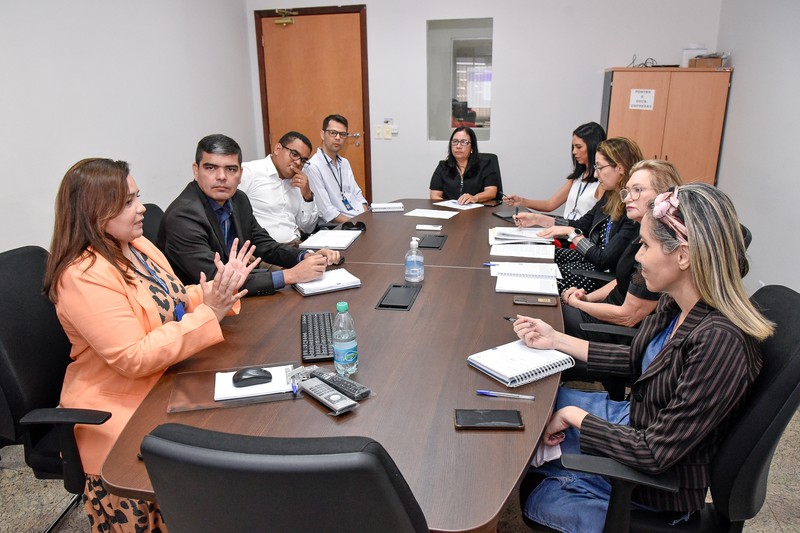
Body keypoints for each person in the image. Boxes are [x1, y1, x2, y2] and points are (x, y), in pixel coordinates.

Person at [512, 183, 774, 533]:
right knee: (528, 413)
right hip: (638, 421)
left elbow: (654, 453)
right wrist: (556, 339)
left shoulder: (719, 342)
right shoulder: (677, 301)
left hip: (656, 484)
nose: (637, 256)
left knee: (538, 495)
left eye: (646, 245)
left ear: (683, 255)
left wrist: (574, 416)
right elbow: (636, 362)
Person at [42, 158, 259, 531]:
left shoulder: (137, 245)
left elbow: (172, 298)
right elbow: (134, 356)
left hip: (165, 378)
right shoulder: (82, 275)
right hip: (117, 407)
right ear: (93, 212)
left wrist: (216, 290)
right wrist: (210, 312)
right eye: (127, 202)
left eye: (137, 196)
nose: (141, 207)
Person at [158, 134, 340, 296]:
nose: (222, 177)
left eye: (230, 169)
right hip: (200, 309)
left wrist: (305, 256)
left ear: (240, 173)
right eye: (211, 168)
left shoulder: (238, 199)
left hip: (234, 294)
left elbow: (264, 245)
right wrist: (290, 275)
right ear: (196, 170)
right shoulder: (183, 216)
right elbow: (217, 279)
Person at [561, 160, 683, 343]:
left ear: (663, 195)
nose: (626, 198)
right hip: (604, 313)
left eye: (637, 190)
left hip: (612, 331)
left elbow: (628, 316)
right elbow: (621, 280)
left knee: (547, 315)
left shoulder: (662, 248)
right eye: (627, 191)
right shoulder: (641, 233)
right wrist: (586, 298)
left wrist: (578, 304)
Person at [516, 137, 642, 293]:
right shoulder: (610, 195)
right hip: (590, 262)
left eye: (600, 168)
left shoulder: (633, 211)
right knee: (538, 257)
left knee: (540, 276)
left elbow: (604, 260)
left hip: (602, 277)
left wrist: (571, 233)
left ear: (620, 169)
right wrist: (538, 219)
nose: (596, 174)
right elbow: (583, 224)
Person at [504, 122, 606, 220]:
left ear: (593, 147)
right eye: (573, 147)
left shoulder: (602, 183)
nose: (574, 152)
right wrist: (522, 201)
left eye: (578, 147)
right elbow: (550, 204)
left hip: (579, 234)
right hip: (565, 231)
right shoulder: (577, 178)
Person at [239, 131, 318, 244]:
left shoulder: (299, 181)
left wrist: (307, 196)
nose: (298, 162)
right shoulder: (249, 172)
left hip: (297, 244)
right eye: (294, 154)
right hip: (266, 252)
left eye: (304, 160)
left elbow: (308, 228)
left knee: (336, 257)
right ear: (277, 149)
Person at [306, 114, 369, 224]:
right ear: (322, 134)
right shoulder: (313, 166)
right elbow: (326, 212)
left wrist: (367, 218)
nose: (338, 138)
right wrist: (357, 223)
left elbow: (358, 195)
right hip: (338, 226)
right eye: (333, 133)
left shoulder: (344, 163)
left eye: (342, 134)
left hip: (358, 219)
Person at [429, 126, 500, 205]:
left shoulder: (485, 165)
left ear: (472, 147)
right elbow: (434, 195)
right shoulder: (443, 166)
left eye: (464, 142)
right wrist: (449, 207)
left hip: (478, 213)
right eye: (455, 141)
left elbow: (491, 191)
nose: (458, 146)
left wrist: (475, 198)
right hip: (450, 212)